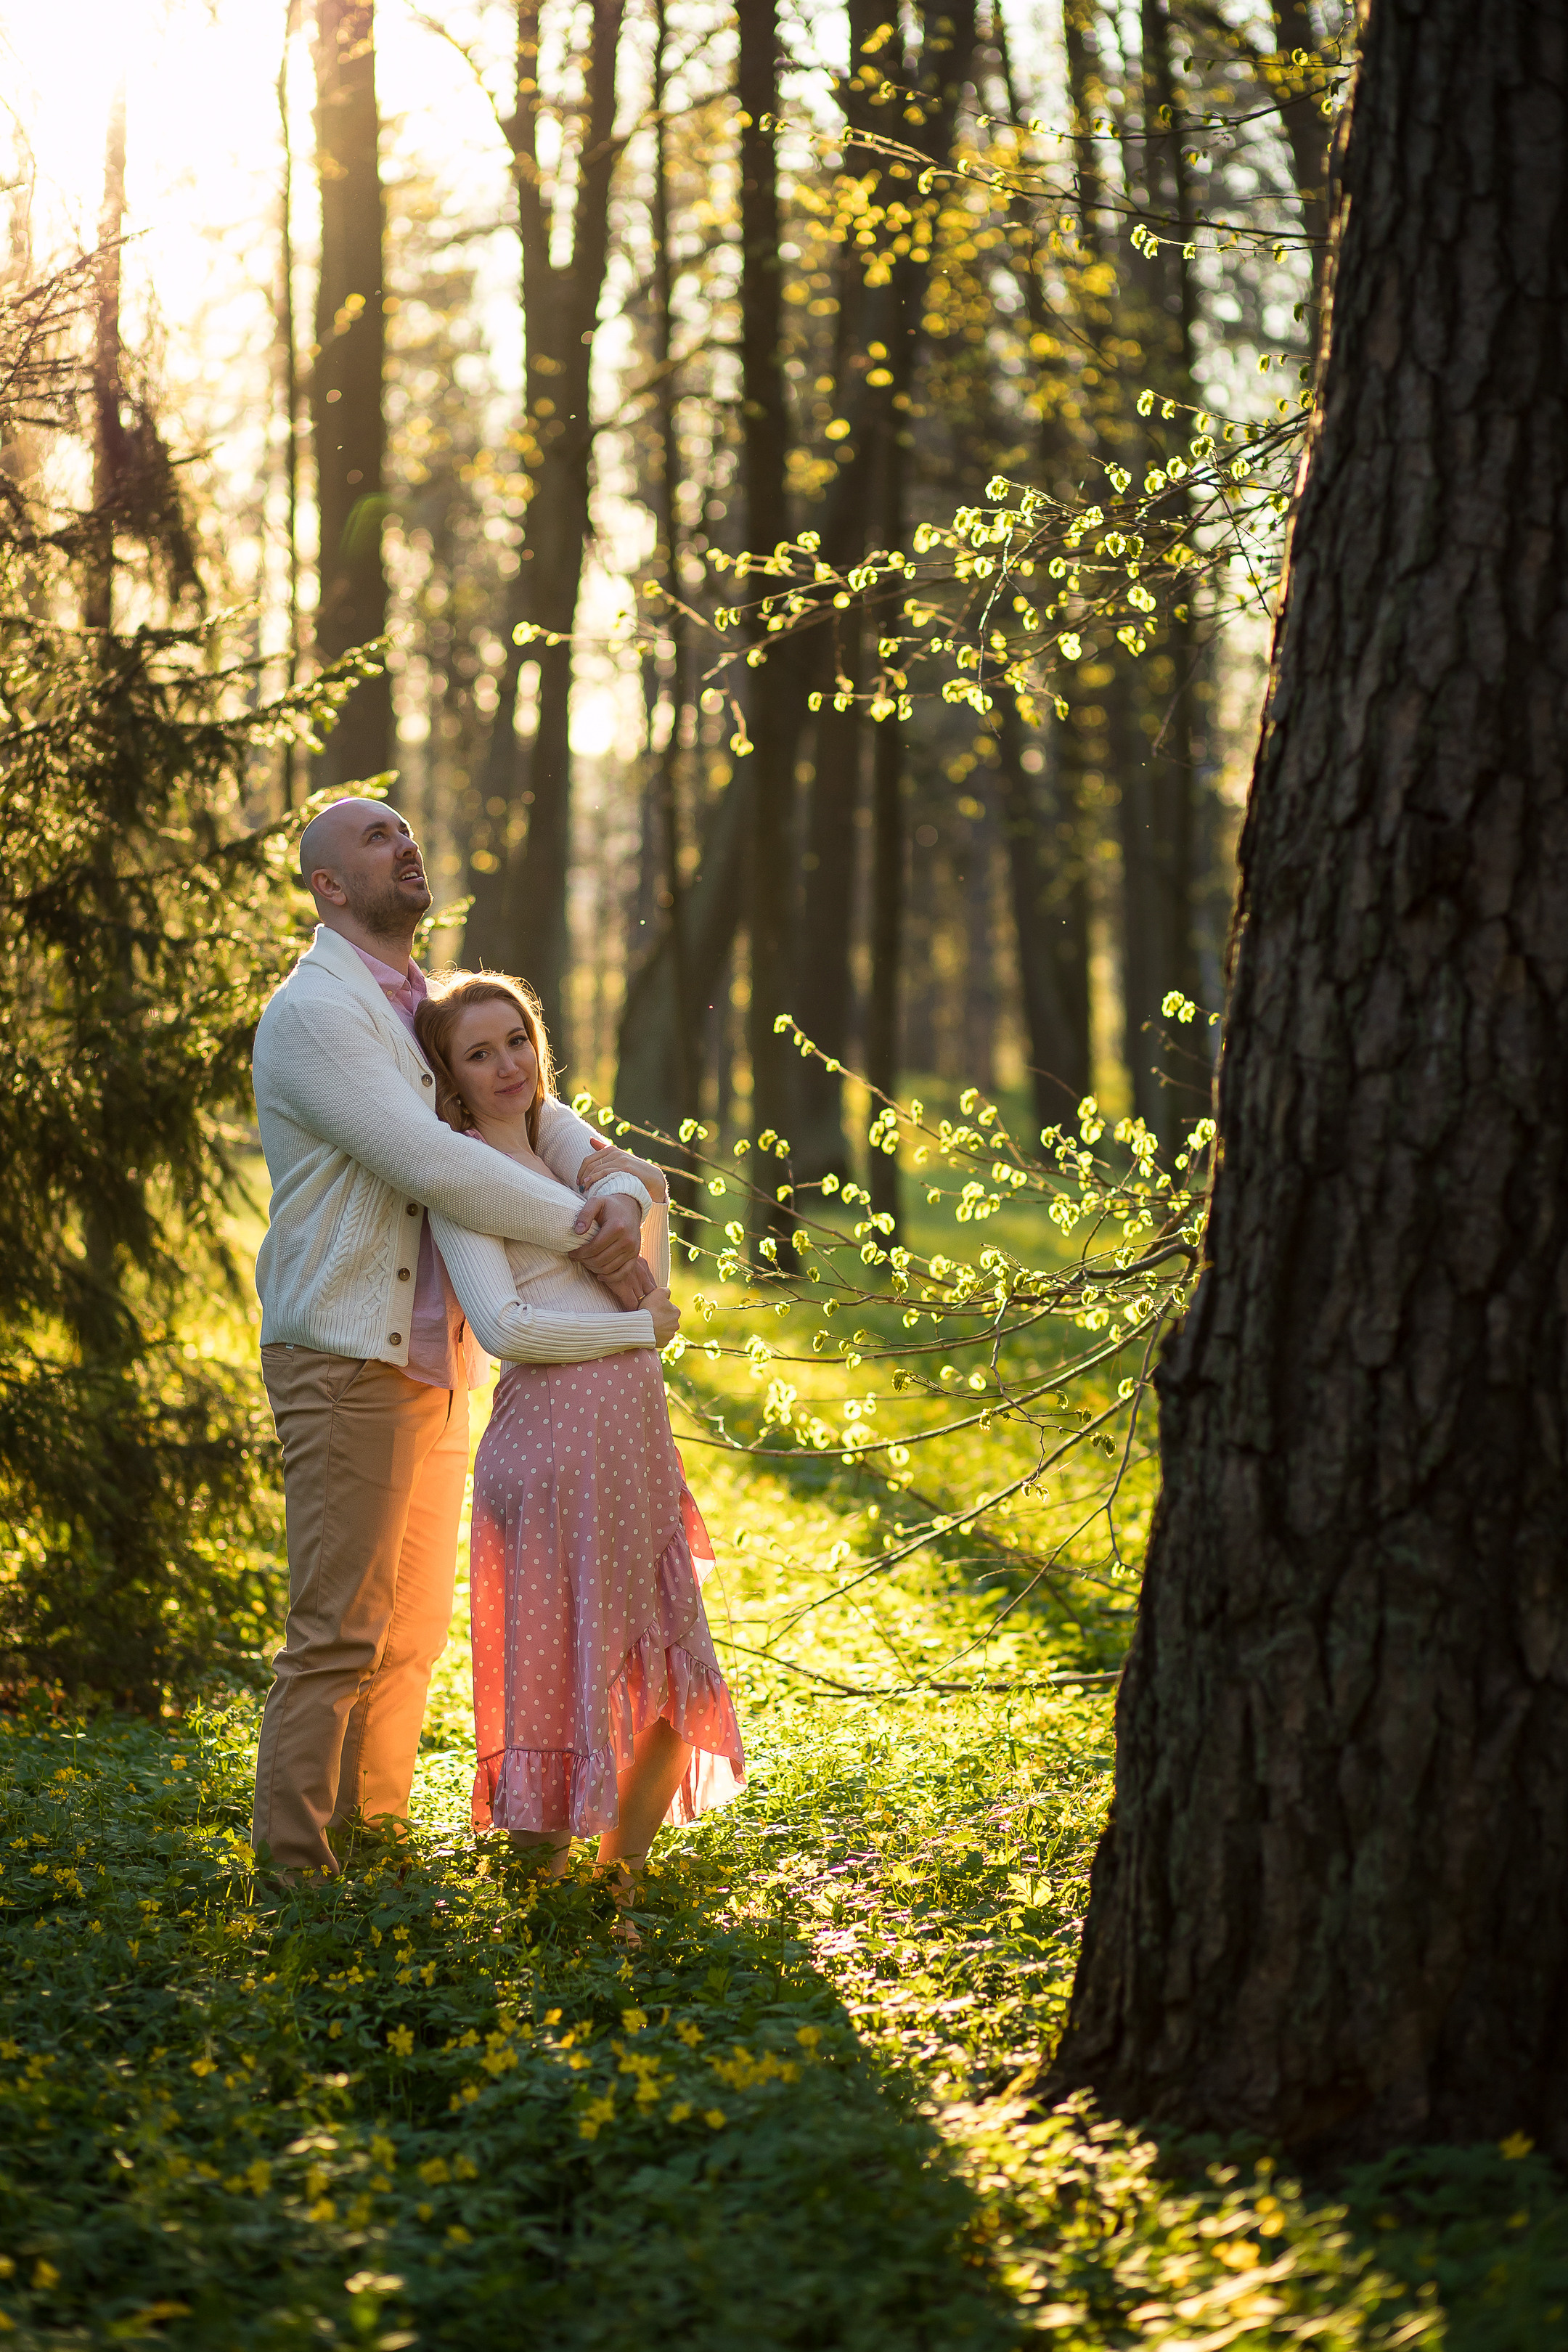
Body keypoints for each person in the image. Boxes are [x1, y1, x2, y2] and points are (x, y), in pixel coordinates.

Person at [250, 797, 656, 1879]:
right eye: (375, 838)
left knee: (410, 1635)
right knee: (338, 1635)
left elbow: (540, 1118)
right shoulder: (318, 1014)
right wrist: (590, 1233)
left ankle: (374, 1848)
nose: (405, 843)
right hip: (346, 1356)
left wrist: (617, 1187)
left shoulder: (420, 1008)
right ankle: (296, 1876)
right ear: (329, 886)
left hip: (435, 1364)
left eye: (405, 829)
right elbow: (434, 1163)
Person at [413, 972, 745, 1905]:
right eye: (479, 1054)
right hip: (549, 1455)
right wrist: (639, 1327)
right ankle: (544, 1903)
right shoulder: (462, 1177)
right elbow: (507, 1327)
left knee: (674, 1679)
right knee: (555, 1685)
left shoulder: (574, 1157)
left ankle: (619, 1884)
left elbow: (652, 1253)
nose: (506, 1065)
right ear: (451, 1076)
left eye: (517, 1041)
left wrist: (631, 1197)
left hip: (634, 1448)